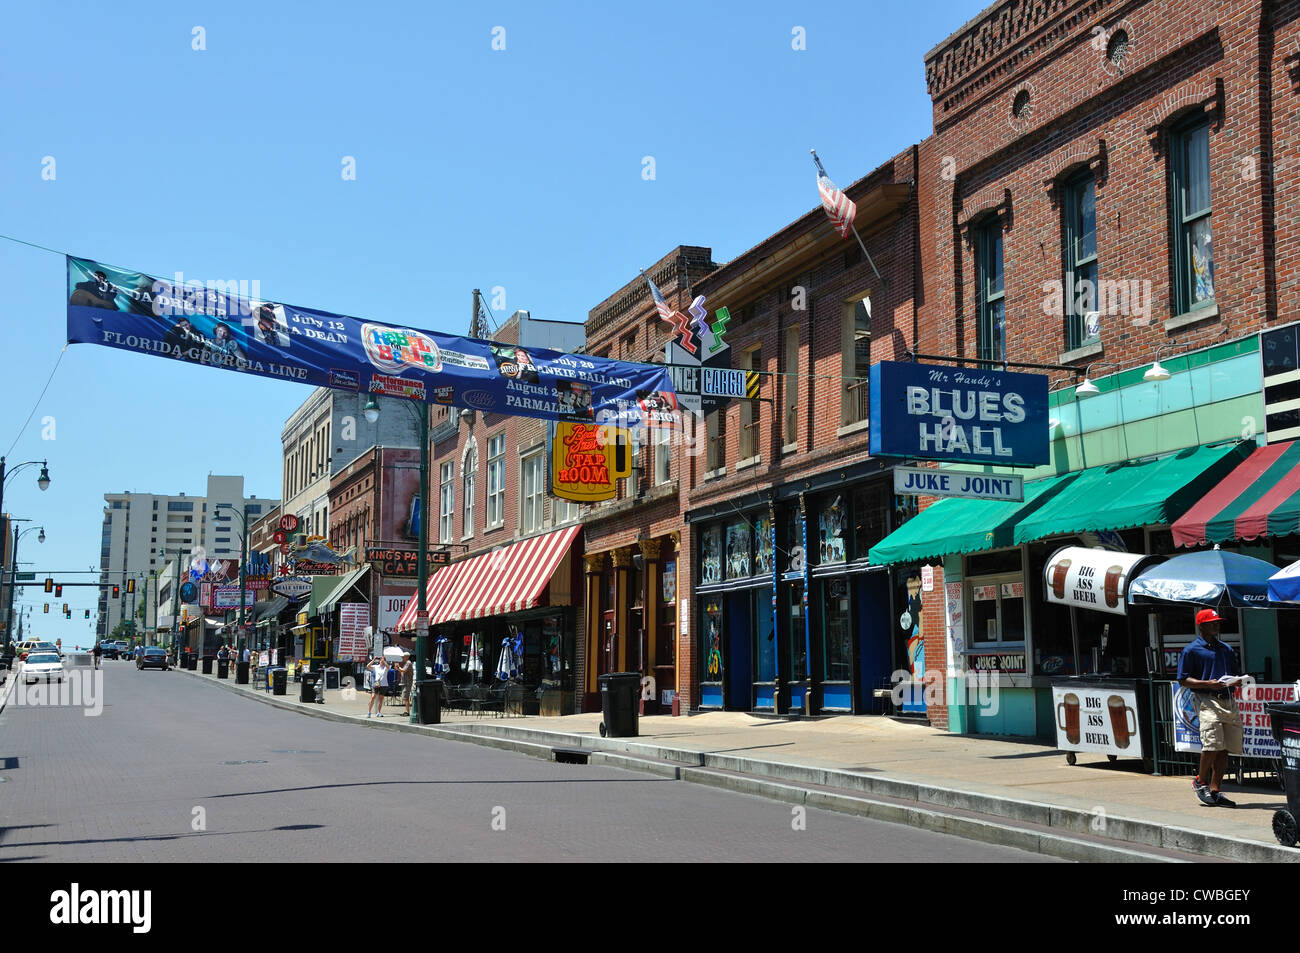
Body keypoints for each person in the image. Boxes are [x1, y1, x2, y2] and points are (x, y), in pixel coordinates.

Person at [1178, 608, 1244, 807]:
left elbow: (1235, 674)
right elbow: (1183, 680)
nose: (1217, 624)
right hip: (1206, 699)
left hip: (1227, 699)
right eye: (1212, 622)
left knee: (1225, 749)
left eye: (1218, 622)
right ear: (1202, 625)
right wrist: (1208, 683)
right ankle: (1200, 782)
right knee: (1212, 744)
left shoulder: (1226, 648)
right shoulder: (1191, 650)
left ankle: (1215, 790)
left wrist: (1239, 681)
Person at [400, 652, 414, 717]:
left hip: (407, 683)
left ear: (406, 657)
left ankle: (407, 711)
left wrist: (398, 667)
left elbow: (403, 670)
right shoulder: (406, 663)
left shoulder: (408, 663)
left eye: (403, 657)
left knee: (406, 697)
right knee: (405, 698)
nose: (402, 658)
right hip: (405, 682)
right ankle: (406, 711)